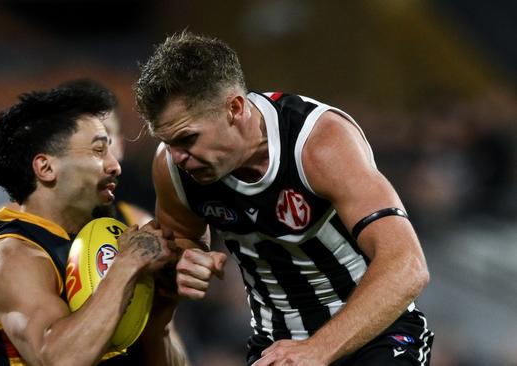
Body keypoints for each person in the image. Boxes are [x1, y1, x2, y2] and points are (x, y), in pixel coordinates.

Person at [134, 31, 434, 366]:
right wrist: (190, 258)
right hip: (277, 346)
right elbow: (183, 241)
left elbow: (407, 266)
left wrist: (318, 349)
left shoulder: (319, 143)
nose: (177, 157)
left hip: (375, 334)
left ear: (234, 107)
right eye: (167, 142)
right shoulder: (172, 168)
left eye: (187, 139)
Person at [0, 80, 182, 366]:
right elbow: (60, 360)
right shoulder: (9, 257)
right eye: (98, 151)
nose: (115, 165)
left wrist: (159, 314)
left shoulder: (117, 232)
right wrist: (124, 267)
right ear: (46, 168)